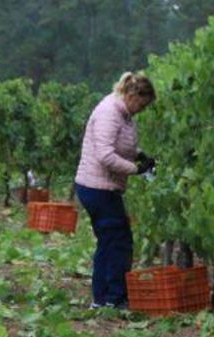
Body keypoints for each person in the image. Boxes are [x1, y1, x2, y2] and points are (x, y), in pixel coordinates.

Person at [73, 72, 157, 309]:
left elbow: (120, 143)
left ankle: (104, 299)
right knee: (117, 241)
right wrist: (136, 168)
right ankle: (112, 299)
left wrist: (139, 154)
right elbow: (105, 155)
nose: (142, 109)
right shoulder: (110, 111)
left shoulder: (123, 114)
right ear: (132, 95)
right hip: (98, 187)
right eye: (142, 104)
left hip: (102, 187)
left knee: (111, 240)